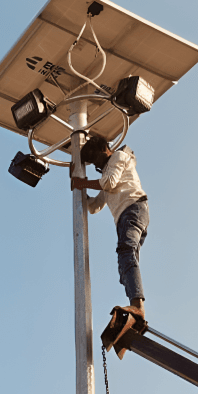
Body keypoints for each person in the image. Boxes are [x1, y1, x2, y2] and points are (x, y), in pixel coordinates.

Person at [70, 135, 149, 319]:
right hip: (125, 216)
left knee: (126, 252)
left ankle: (137, 306)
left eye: (95, 158)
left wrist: (82, 183)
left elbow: (108, 183)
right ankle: (136, 310)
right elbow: (95, 206)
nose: (96, 165)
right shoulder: (108, 171)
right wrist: (80, 191)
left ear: (104, 149)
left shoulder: (118, 157)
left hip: (133, 209)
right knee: (125, 262)